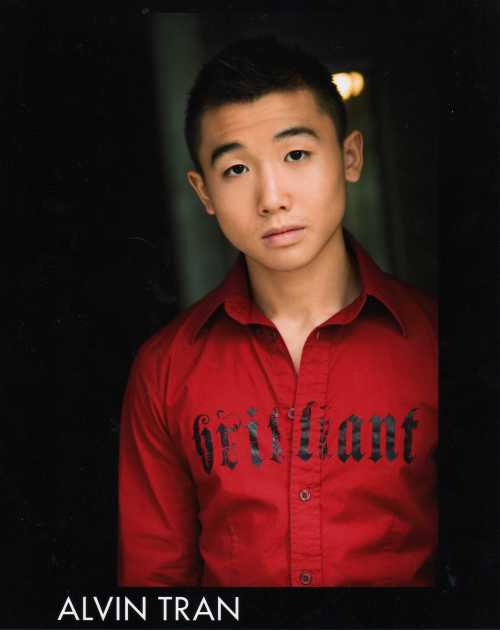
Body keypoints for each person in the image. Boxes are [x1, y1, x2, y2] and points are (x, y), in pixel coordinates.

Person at [118, 37, 437, 587]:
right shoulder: (165, 370)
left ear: (350, 157)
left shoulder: (434, 343)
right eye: (236, 169)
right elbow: (156, 586)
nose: (271, 198)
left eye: (296, 155)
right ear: (203, 192)